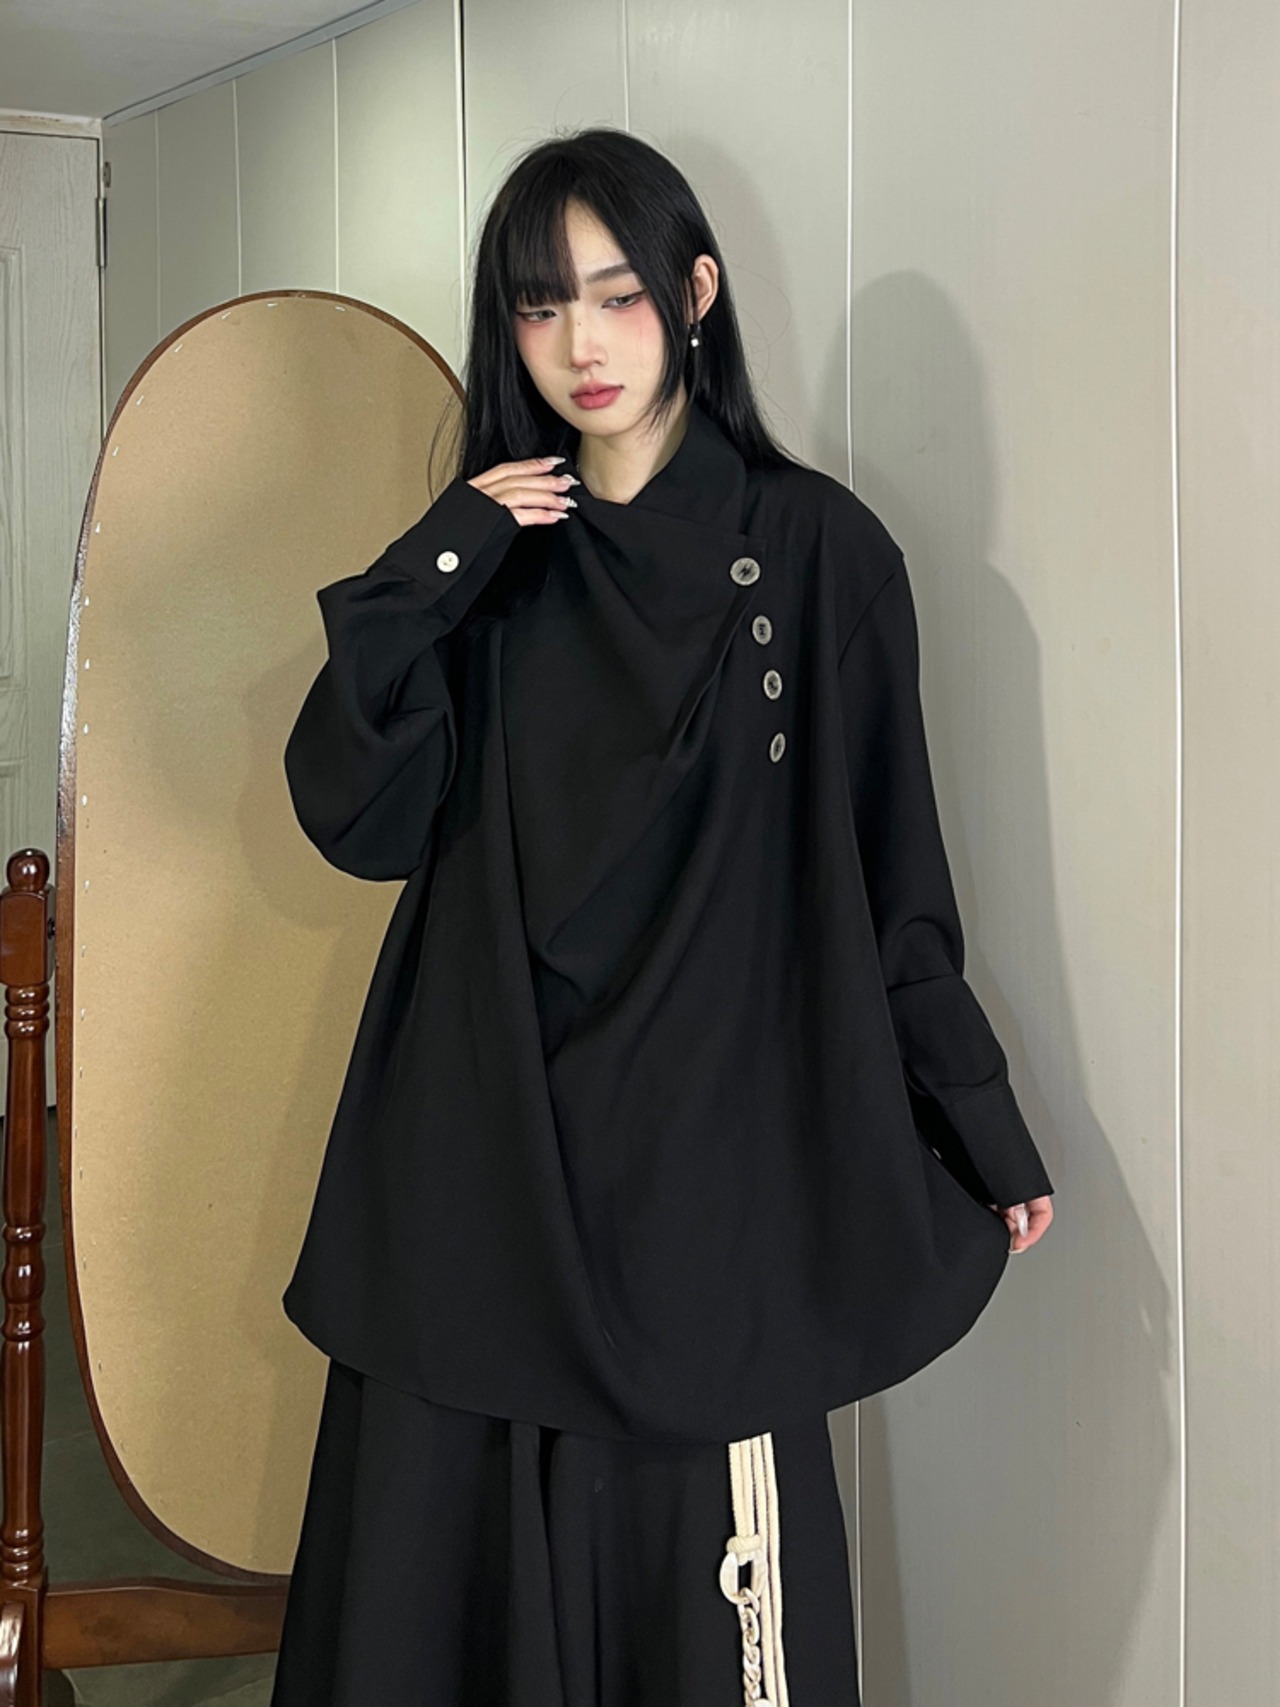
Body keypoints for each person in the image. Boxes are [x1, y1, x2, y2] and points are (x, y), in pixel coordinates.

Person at [270, 126, 1054, 1707]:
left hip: (705, 1176)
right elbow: (356, 816)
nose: (581, 342)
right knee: (450, 1606)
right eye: (540, 305)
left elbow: (892, 878)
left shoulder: (817, 552)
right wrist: (438, 556)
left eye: (617, 295)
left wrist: (975, 1118)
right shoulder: (493, 566)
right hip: (484, 1158)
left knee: (699, 1609)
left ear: (694, 295)